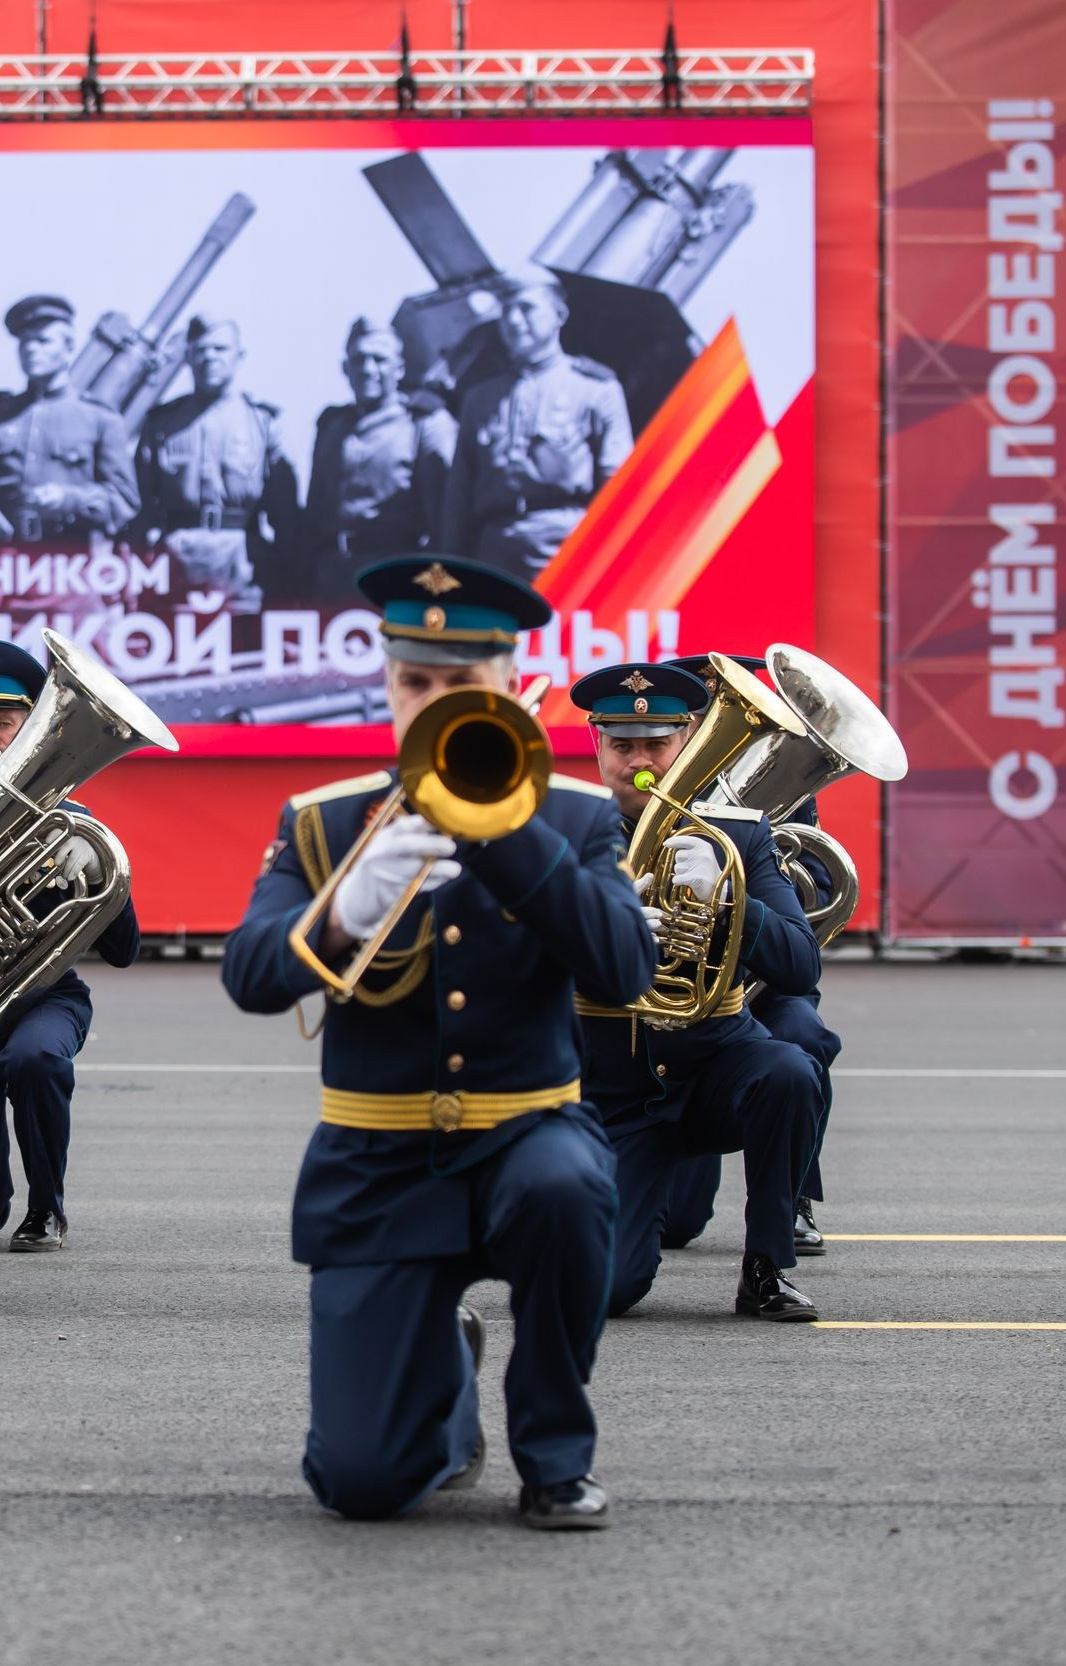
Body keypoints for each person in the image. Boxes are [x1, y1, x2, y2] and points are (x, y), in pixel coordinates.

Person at [222, 556, 655, 1529]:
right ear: (386, 685)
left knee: (563, 1187)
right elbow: (251, 975)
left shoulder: (576, 818)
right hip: (377, 1162)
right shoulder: (326, 822)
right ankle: (441, 1383)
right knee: (363, 1486)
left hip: (523, 1136)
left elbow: (624, 971)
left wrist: (506, 833)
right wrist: (341, 912)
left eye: (459, 685)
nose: (432, 704)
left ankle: (554, 1455)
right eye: (414, 683)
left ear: (505, 682)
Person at [568, 663, 825, 1323]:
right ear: (597, 749)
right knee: (609, 1292)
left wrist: (732, 898)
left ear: (687, 741)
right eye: (622, 746)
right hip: (614, 1094)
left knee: (790, 1070)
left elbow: (799, 967)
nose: (639, 761)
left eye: (657, 743)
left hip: (714, 1063)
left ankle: (767, 1269)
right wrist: (592, 923)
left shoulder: (736, 834)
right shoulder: (562, 836)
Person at [0, 638, 142, 1254]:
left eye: (5, 723)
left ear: (26, 732)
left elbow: (124, 950)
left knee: (36, 1060)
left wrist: (97, 870)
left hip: (46, 997)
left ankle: (47, 1208)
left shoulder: (70, 821)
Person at [653, 653, 842, 1257]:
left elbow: (816, 873)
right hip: (681, 999)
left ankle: (792, 1200)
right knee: (679, 1224)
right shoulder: (643, 797)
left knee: (804, 1039)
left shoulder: (778, 786)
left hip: (761, 983)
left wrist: (747, 889)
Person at [439, 266, 632, 579]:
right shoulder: (480, 399)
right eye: (506, 311)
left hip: (564, 552)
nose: (514, 321)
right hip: (494, 555)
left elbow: (618, 488)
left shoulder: (596, 389)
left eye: (526, 308)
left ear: (559, 314)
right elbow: (458, 496)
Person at [130, 317, 295, 607]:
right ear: (188, 357)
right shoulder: (161, 423)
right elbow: (139, 508)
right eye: (201, 350)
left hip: (243, 567)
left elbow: (286, 516)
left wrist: (289, 584)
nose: (210, 358)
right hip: (175, 566)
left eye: (220, 349)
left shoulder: (262, 422)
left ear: (239, 356)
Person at [0, 294, 139, 546]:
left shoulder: (99, 417)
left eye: (43, 341)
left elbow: (124, 501)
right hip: (4, 562)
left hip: (71, 564)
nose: (31, 349)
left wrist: (68, 500)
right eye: (24, 342)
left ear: (68, 349)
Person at [300, 319, 456, 584]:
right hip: (332, 577)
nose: (368, 369)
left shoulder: (424, 423)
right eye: (359, 359)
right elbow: (313, 514)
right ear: (345, 368)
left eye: (379, 359)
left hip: (396, 575)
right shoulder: (331, 426)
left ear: (399, 369)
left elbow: (445, 521)